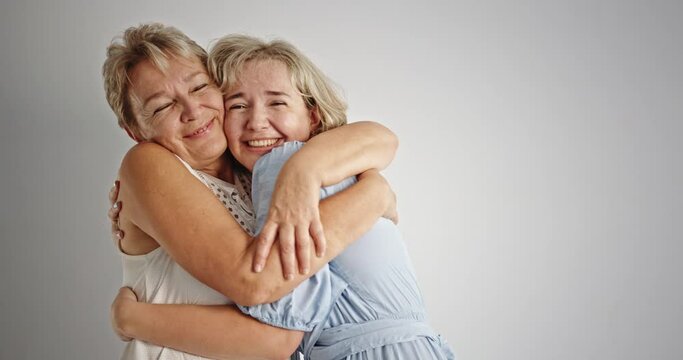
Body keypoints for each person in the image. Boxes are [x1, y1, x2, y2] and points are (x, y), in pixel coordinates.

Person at [109, 33, 455, 359]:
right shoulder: (150, 163)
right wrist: (373, 196)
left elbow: (380, 138)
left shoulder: (256, 176)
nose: (193, 110)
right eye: (162, 107)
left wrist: (308, 170)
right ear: (135, 131)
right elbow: (271, 314)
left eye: (200, 87)